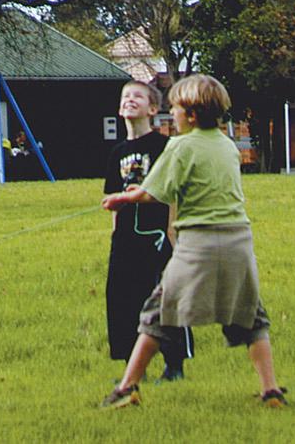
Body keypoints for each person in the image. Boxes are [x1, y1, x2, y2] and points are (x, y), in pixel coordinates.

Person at [99, 73, 285, 410]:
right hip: (238, 241)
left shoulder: (180, 145)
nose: (173, 115)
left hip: (198, 243)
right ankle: (270, 390)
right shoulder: (228, 146)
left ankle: (127, 388)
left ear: (193, 115)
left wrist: (122, 199)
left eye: (175, 109)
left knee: (156, 315)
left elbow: (154, 191)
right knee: (252, 318)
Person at [104, 82, 191, 381]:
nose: (130, 100)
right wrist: (115, 236)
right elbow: (113, 201)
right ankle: (132, 368)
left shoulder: (163, 146)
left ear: (153, 109)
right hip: (126, 239)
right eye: (125, 96)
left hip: (157, 236)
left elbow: (173, 195)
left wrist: (172, 234)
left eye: (137, 96)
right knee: (122, 299)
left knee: (163, 299)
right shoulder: (117, 152)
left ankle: (175, 364)